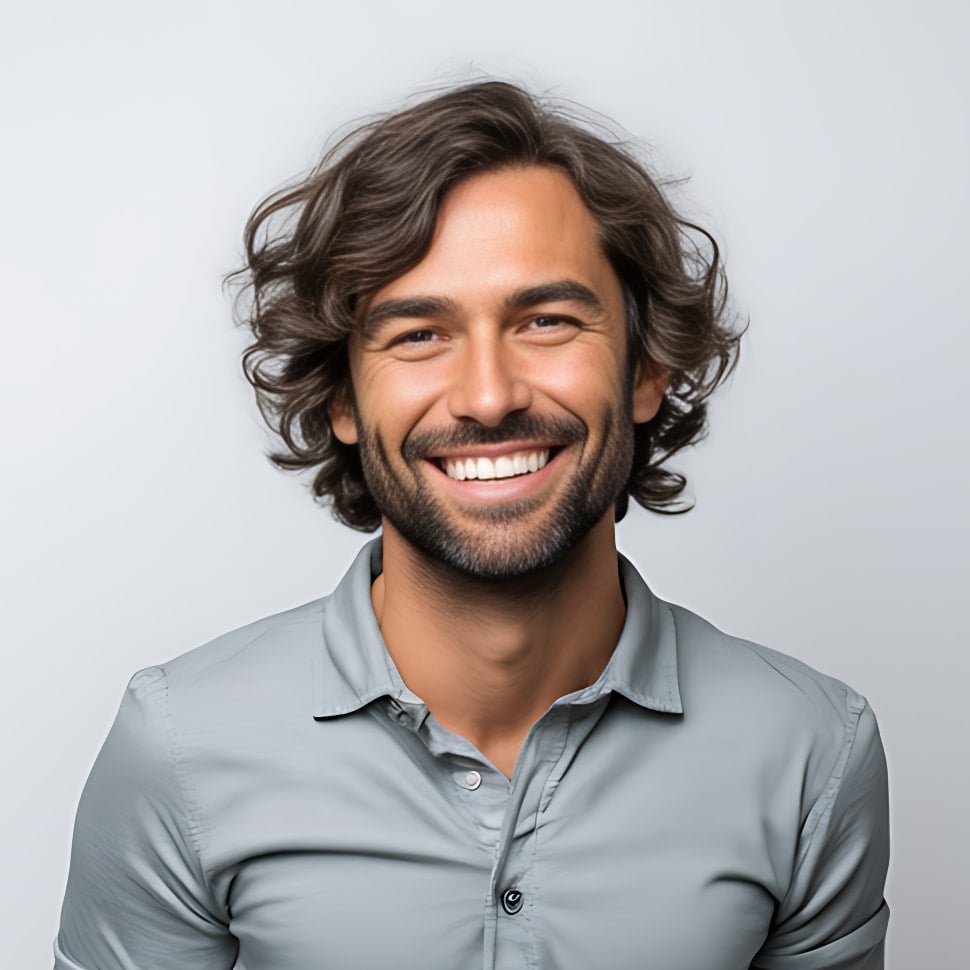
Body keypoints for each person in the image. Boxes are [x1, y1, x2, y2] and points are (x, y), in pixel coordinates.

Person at [55, 81, 890, 970]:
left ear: (647, 369)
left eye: (547, 320)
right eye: (418, 334)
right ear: (341, 394)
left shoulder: (811, 752)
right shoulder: (182, 745)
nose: (489, 396)